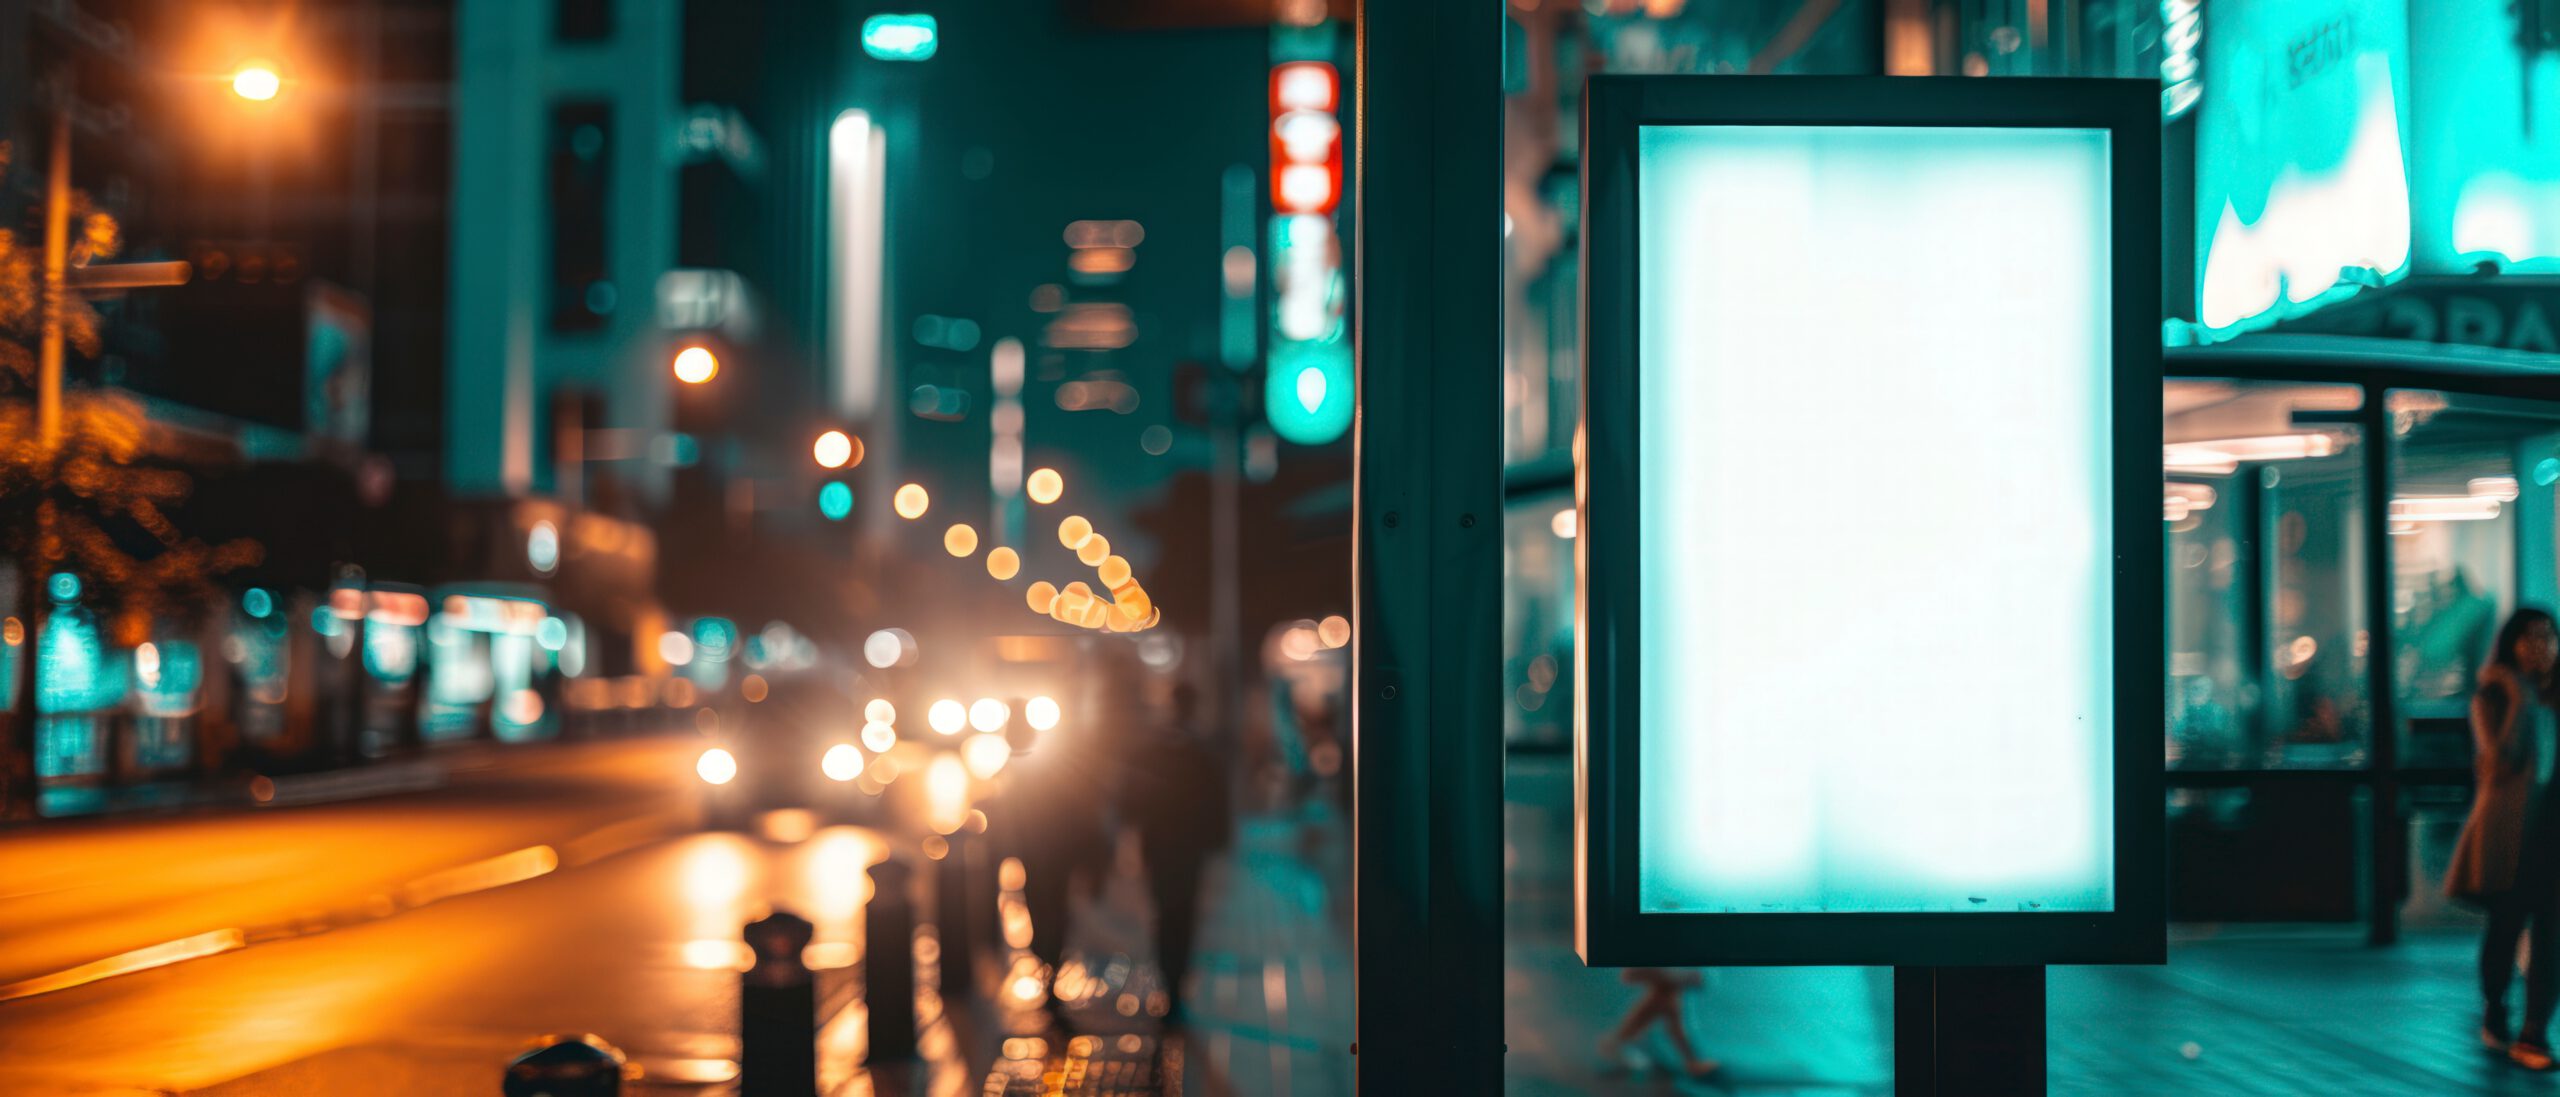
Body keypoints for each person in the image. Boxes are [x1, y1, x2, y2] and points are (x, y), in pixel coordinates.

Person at [2448, 607, 2560, 1070]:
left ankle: (2534, 1032)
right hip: (2510, 833)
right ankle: (2496, 1010)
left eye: (2548, 636)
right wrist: (2518, 697)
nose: (2541, 646)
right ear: (2511, 644)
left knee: (2551, 934)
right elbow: (2497, 763)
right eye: (2529, 637)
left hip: (2552, 830)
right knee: (2506, 927)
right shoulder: (2493, 698)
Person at [1120, 681, 1231, 1024]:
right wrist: (1217, 839)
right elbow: (1217, 801)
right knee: (1182, 914)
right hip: (1185, 847)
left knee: (1165, 912)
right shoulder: (1201, 751)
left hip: (1161, 846)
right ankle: (1175, 984)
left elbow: (1131, 798)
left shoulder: (1156, 749)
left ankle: (1170, 982)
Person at [1598, 967, 1718, 1081]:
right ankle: (1691, 1062)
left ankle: (1691, 1062)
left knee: (1663, 1012)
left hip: (1666, 986)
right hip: (1665, 983)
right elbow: (1631, 975)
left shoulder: (1667, 993)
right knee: (1663, 1012)